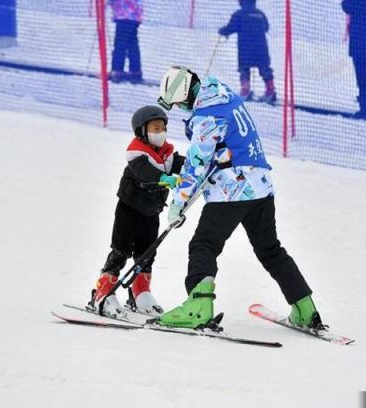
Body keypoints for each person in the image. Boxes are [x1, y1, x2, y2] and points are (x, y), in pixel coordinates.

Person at [155, 66, 322, 330]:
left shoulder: (206, 117)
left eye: (178, 103)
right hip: (261, 187)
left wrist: (178, 203)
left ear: (186, 94)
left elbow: (197, 163)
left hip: (232, 190)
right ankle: (305, 308)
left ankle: (198, 308)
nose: (179, 109)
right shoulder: (223, 94)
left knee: (204, 244)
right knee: (270, 249)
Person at [88, 105, 185, 317]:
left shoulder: (167, 154)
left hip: (152, 212)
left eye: (163, 128)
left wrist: (199, 166)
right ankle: (103, 293)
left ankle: (140, 292)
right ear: (142, 131)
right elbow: (144, 172)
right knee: (121, 250)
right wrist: (163, 178)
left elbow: (183, 165)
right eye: (155, 128)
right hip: (129, 210)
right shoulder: (136, 153)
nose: (161, 133)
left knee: (147, 253)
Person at [218, 0, 276, 104]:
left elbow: (230, 28)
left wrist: (223, 31)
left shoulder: (239, 14)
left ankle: (245, 91)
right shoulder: (260, 14)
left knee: (244, 69)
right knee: (264, 68)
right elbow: (266, 27)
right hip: (261, 48)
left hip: (245, 48)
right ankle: (270, 91)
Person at [108, 0, 143, 84]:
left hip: (123, 15)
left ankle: (117, 70)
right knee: (132, 44)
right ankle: (135, 71)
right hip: (134, 15)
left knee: (120, 44)